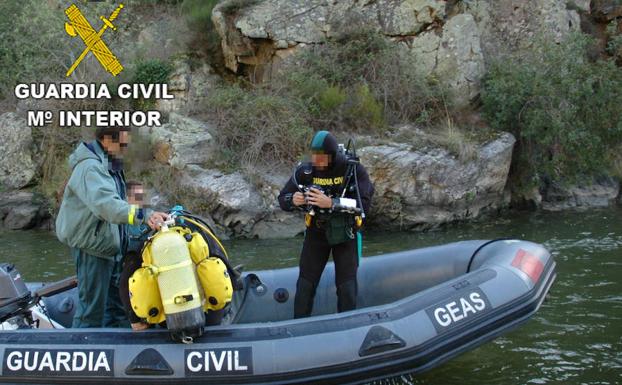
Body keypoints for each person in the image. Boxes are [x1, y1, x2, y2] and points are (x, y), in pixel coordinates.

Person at [55, 126, 168, 328]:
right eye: (123, 143)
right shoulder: (90, 168)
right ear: (107, 140)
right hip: (93, 248)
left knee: (117, 308)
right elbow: (107, 206)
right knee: (91, 311)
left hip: (111, 247)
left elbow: (119, 202)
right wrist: (144, 215)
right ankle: (80, 352)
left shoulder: (108, 164)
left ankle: (119, 348)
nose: (126, 148)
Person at [278, 131, 374, 318]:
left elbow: (365, 206)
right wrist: (293, 200)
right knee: (305, 285)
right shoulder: (305, 171)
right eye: (314, 156)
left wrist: (331, 203)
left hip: (345, 233)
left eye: (321, 157)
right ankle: (299, 327)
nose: (317, 161)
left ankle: (347, 328)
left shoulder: (352, 169)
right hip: (316, 232)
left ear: (332, 155)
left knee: (346, 287)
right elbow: (282, 199)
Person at [118, 181, 151, 331]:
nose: (140, 198)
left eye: (141, 195)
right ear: (127, 198)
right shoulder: (123, 218)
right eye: (136, 195)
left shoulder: (147, 215)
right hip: (129, 259)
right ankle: (134, 321)